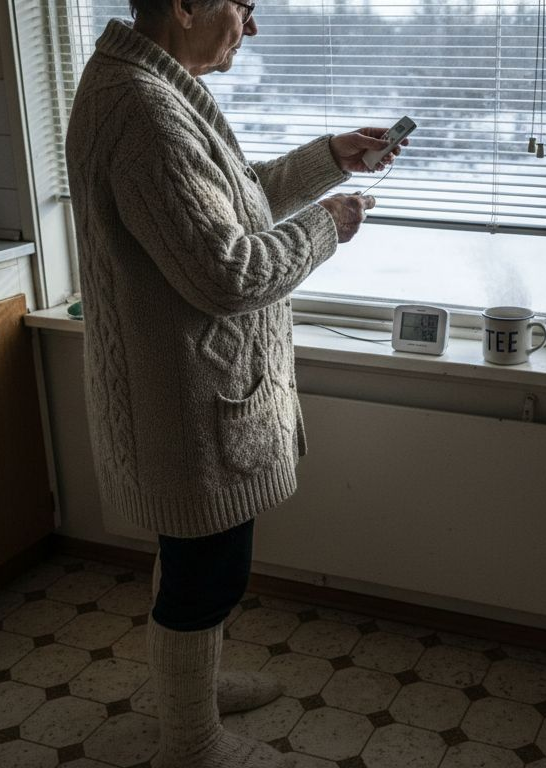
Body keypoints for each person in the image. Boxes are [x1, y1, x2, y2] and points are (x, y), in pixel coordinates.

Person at [64, 0, 402, 765]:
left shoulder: (146, 85)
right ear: (187, 6)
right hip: (184, 407)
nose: (252, 27)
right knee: (207, 577)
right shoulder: (142, 109)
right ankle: (192, 743)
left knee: (194, 565)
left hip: (182, 394)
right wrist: (327, 227)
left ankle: (193, 690)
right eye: (243, 6)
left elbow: (223, 210)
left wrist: (329, 159)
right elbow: (229, 272)